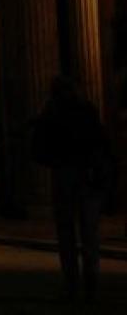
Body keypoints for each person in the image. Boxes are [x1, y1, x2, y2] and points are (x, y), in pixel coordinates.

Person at [30, 75, 116, 303]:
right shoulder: (87, 110)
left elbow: (38, 149)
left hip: (64, 176)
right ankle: (91, 283)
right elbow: (102, 142)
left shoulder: (51, 112)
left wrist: (54, 160)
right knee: (89, 234)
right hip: (88, 176)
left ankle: (72, 284)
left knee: (66, 234)